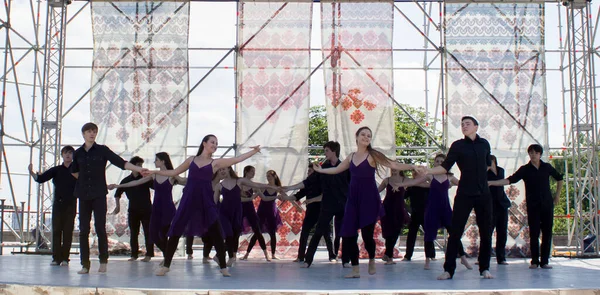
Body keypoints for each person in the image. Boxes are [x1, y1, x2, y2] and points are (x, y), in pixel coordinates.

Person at [314, 126, 421, 278]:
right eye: (363, 134)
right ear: (356, 137)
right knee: (349, 234)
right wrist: (321, 170)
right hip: (353, 199)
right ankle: (355, 269)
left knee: (367, 235)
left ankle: (371, 259)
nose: (366, 137)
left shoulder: (373, 155)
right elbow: (337, 169)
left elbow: (393, 164)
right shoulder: (351, 157)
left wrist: (412, 166)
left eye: (368, 135)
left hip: (369, 199)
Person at [149, 134, 261, 277]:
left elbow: (237, 159)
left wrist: (254, 151)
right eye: (212, 142)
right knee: (175, 230)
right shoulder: (191, 160)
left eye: (217, 143)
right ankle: (166, 266)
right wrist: (153, 171)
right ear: (204, 143)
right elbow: (174, 172)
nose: (215, 145)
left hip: (206, 200)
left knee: (217, 233)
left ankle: (223, 267)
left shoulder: (215, 163)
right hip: (189, 199)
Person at [70, 122, 147, 274]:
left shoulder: (102, 150)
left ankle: (103, 261)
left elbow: (120, 162)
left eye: (94, 131)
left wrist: (138, 168)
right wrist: (85, 180)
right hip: (83, 195)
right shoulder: (78, 153)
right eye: (89, 131)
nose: (92, 134)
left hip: (99, 194)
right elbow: (74, 172)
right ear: (83, 134)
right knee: (83, 229)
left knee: (100, 227)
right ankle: (85, 264)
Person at [424, 116, 494, 280]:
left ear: (476, 127)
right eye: (462, 124)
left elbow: (487, 163)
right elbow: (445, 167)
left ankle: (484, 268)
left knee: (486, 232)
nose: (464, 126)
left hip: (483, 193)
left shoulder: (484, 144)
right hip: (464, 193)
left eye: (467, 124)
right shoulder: (458, 146)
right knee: (455, 232)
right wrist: (427, 171)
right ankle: (448, 270)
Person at [488, 144, 563, 269]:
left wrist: (557, 196)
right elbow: (510, 180)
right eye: (531, 153)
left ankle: (544, 261)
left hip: (547, 203)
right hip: (533, 204)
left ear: (540, 154)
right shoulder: (525, 169)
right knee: (534, 233)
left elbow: (559, 178)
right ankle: (534, 260)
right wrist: (492, 183)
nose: (533, 155)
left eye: (535, 153)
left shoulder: (547, 167)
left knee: (547, 232)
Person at [108, 152, 187, 262]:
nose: (154, 162)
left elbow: (183, 181)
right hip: (155, 209)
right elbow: (136, 183)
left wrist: (199, 180)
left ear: (163, 161)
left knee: (163, 234)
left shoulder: (172, 175)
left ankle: (166, 259)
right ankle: (167, 255)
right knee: (154, 235)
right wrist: (118, 185)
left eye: (156, 160)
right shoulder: (153, 175)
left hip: (167, 208)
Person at [284, 141, 349, 268]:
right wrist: (289, 188)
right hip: (327, 205)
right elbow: (308, 182)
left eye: (326, 151)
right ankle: (308, 260)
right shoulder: (322, 168)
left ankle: (345, 260)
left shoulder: (344, 167)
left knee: (345, 233)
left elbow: (353, 184)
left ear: (334, 151)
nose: (325, 153)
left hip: (342, 204)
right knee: (318, 232)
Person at [215, 166, 280, 266]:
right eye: (220, 169)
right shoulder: (225, 184)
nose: (253, 173)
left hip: (243, 210)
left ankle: (266, 253)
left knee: (253, 231)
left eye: (224, 169)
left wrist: (272, 188)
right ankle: (231, 256)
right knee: (232, 234)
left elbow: (259, 189)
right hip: (230, 211)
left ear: (229, 170)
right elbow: (218, 201)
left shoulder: (242, 182)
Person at [28, 146, 77, 266]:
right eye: (65, 153)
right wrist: (32, 173)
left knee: (67, 232)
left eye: (70, 153)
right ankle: (56, 258)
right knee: (56, 231)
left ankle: (65, 258)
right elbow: (41, 179)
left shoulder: (76, 170)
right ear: (62, 155)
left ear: (73, 156)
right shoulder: (56, 170)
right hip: (58, 204)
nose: (68, 155)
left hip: (71, 204)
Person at [422, 154, 471, 271]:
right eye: (437, 161)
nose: (439, 163)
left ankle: (463, 258)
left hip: (445, 208)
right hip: (432, 208)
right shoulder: (430, 175)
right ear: (434, 163)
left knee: (454, 233)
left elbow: (463, 184)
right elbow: (415, 181)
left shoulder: (449, 177)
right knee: (429, 233)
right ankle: (427, 259)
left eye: (441, 161)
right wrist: (401, 183)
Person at [111, 156, 154, 262]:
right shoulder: (126, 180)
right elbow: (117, 193)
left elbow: (156, 187)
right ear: (132, 166)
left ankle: (149, 254)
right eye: (138, 165)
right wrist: (118, 206)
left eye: (141, 165)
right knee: (134, 232)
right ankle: (134, 254)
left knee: (148, 232)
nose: (140, 167)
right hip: (133, 209)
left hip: (146, 209)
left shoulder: (145, 178)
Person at [377, 167, 423, 265]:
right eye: (392, 168)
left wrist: (425, 174)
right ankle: (389, 257)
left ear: (399, 169)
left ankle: (388, 254)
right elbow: (377, 191)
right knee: (388, 232)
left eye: (395, 168)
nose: (394, 170)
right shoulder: (387, 180)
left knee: (396, 230)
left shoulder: (404, 180)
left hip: (399, 209)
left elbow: (418, 181)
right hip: (388, 208)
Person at [292, 163, 335, 263]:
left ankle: (332, 255)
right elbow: (298, 195)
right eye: (308, 172)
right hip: (311, 211)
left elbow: (323, 196)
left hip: (322, 211)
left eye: (310, 171)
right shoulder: (308, 184)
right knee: (304, 232)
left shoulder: (322, 182)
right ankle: (300, 256)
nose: (308, 173)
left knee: (326, 234)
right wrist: (285, 196)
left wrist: (311, 200)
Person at [245, 170, 287, 259]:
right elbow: (255, 194)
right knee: (257, 233)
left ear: (274, 177)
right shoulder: (264, 187)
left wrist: (296, 205)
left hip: (271, 212)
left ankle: (273, 255)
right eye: (267, 176)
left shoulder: (277, 187)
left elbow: (286, 196)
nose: (268, 178)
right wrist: (247, 197)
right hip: (261, 211)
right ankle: (247, 254)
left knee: (272, 233)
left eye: (270, 176)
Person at [239, 165, 271, 261]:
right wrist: (250, 197)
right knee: (236, 231)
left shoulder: (252, 185)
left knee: (257, 231)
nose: (254, 173)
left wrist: (276, 196)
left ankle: (266, 254)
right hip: (240, 208)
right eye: (252, 171)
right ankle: (232, 254)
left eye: (254, 171)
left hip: (250, 209)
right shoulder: (240, 182)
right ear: (246, 172)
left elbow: (264, 197)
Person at [486, 155, 511, 265]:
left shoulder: (500, 170)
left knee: (502, 231)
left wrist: (492, 169)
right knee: (487, 231)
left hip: (502, 204)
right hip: (490, 205)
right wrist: (486, 169)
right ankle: (484, 256)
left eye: (491, 161)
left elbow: (499, 180)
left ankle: (501, 257)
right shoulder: (484, 172)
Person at [402, 170, 430, 262]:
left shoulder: (428, 186)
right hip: (415, 213)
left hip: (426, 213)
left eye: (421, 173)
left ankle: (430, 255)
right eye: (417, 173)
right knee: (411, 235)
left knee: (429, 234)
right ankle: (408, 255)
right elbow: (403, 196)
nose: (419, 175)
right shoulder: (412, 187)